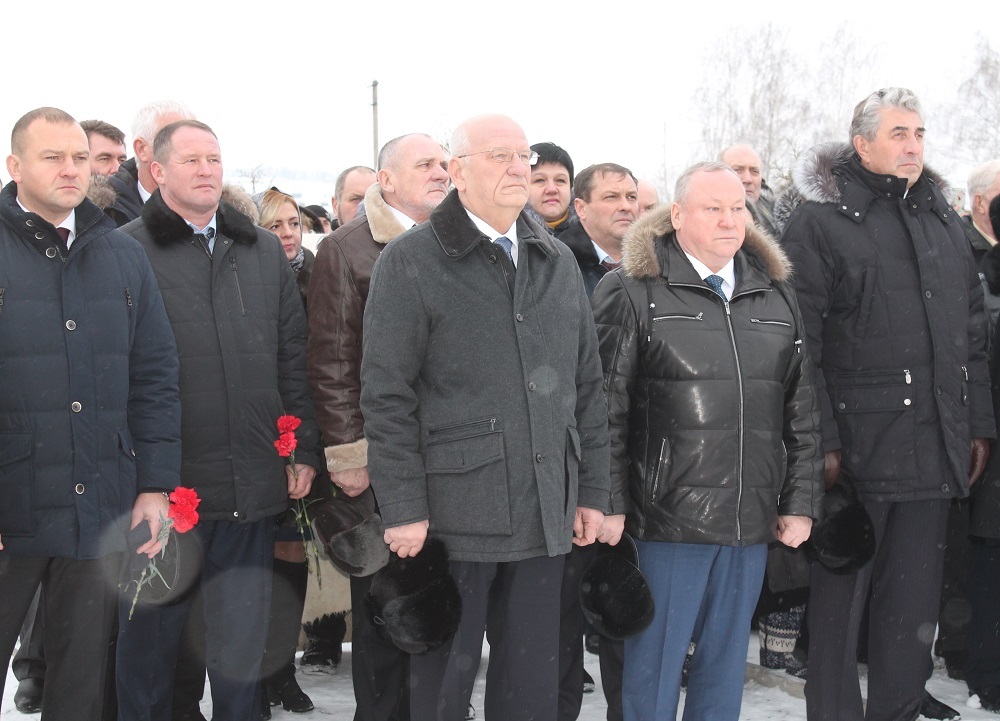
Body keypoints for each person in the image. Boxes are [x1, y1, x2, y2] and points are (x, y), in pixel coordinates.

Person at [359, 114, 617, 721]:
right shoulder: (411, 261)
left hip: (544, 509)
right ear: (457, 170)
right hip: (455, 514)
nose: (517, 168)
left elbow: (587, 388)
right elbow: (387, 395)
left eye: (522, 155)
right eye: (499, 155)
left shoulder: (555, 260)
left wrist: (593, 492)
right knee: (442, 687)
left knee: (530, 686)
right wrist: (403, 506)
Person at [780, 87, 995, 721]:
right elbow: (801, 342)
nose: (913, 146)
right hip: (856, 456)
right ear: (862, 143)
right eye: (899, 133)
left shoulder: (942, 219)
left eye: (919, 133)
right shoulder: (820, 221)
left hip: (934, 450)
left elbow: (972, 336)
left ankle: (899, 708)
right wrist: (820, 442)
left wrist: (977, 425)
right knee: (840, 612)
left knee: (913, 612)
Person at [590, 161, 821, 721]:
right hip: (666, 521)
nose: (728, 220)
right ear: (677, 215)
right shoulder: (633, 289)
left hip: (749, 521)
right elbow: (603, 409)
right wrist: (607, 501)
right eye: (712, 208)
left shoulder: (775, 294)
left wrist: (800, 501)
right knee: (653, 673)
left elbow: (802, 409)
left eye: (737, 208)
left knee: (723, 673)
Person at [114, 119, 321, 721]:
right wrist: (141, 475)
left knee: (241, 646)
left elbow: (292, 356)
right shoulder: (125, 250)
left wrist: (302, 449)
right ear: (157, 171)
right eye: (191, 160)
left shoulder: (260, 249)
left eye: (214, 158)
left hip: (249, 485)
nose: (206, 170)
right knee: (151, 646)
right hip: (164, 491)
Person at [0, 106, 181, 721]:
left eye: (79, 157)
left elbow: (155, 378)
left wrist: (154, 485)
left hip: (97, 503)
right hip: (12, 503)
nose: (70, 169)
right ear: (15, 165)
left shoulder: (122, 255)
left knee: (81, 683)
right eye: (52, 157)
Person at [308, 131, 450, 721]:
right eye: (425, 164)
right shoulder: (346, 249)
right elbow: (333, 360)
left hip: (453, 455)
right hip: (383, 458)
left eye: (445, 163)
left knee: (439, 599)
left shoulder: (459, 239)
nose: (441, 172)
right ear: (386, 180)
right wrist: (348, 453)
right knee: (386, 602)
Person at [554, 161, 638, 721]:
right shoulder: (555, 263)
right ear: (580, 207)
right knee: (559, 622)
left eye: (631, 195)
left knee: (621, 615)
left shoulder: (651, 269)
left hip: (629, 472)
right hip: (567, 466)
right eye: (611, 197)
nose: (626, 206)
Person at [254, 188, 317, 717]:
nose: (287, 233)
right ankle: (260, 669)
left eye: (293, 223)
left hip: (306, 429)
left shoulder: (319, 274)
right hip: (260, 433)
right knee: (261, 562)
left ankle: (282, 668)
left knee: (294, 554)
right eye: (275, 225)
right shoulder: (250, 274)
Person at [106, 101, 195, 227]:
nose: (191, 150)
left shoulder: (221, 215)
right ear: (141, 149)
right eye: (175, 140)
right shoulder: (102, 216)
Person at [721, 143, 778, 237]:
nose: (748, 179)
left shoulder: (777, 213)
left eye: (754, 171)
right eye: (737, 170)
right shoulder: (704, 216)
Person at [527, 141, 576, 236]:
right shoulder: (509, 234)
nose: (552, 190)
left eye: (560, 180)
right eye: (540, 180)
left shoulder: (594, 232)